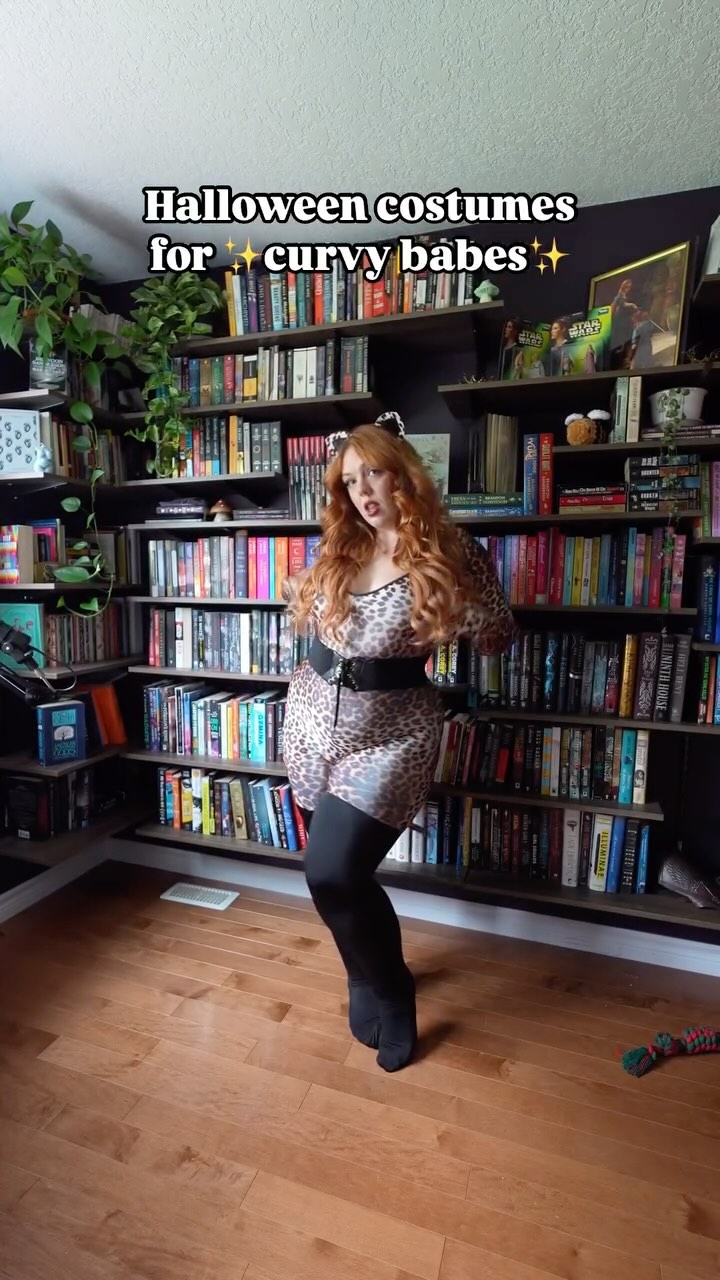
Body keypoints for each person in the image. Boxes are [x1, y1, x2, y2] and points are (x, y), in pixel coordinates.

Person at [281, 411, 515, 1072]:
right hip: (311, 723)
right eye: (350, 480)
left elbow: (498, 631)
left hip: (392, 736)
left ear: (402, 474)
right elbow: (316, 618)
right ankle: (361, 972)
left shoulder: (451, 548)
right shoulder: (342, 545)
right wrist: (300, 590)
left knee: (333, 871)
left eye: (374, 473)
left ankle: (393, 989)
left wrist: (458, 607)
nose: (363, 491)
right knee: (334, 881)